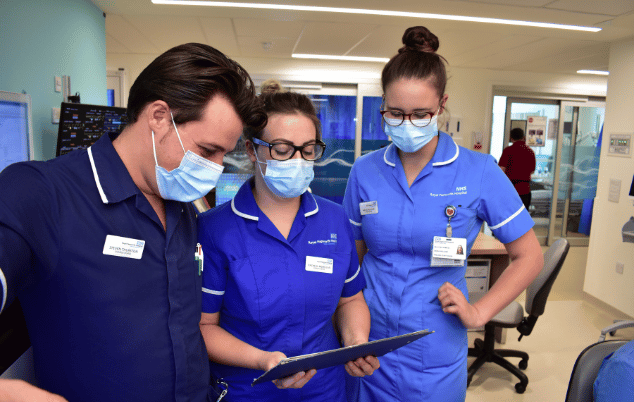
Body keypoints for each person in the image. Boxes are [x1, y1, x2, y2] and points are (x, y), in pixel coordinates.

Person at [0, 43, 266, 402]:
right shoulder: (41, 193)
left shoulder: (182, 205)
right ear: (158, 116)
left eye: (223, 154)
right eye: (206, 151)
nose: (216, 169)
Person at [342, 26, 544, 401]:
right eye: (395, 113)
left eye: (421, 114)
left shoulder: (478, 171)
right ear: (382, 106)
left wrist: (480, 313)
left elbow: (529, 256)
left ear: (442, 105)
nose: (407, 123)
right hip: (368, 340)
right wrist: (346, 330)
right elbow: (352, 258)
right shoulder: (365, 171)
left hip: (434, 347)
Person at [198, 87, 380, 401]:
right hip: (250, 389)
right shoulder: (215, 229)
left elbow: (350, 300)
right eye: (282, 149)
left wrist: (356, 343)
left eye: (308, 149)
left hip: (324, 388)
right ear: (252, 150)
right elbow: (203, 327)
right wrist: (263, 361)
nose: (297, 160)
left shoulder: (334, 220)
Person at [498, 127, 536, 210]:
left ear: (511, 138)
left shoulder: (508, 150)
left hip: (510, 189)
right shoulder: (530, 152)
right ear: (523, 138)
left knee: (509, 217)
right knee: (522, 217)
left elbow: (501, 169)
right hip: (524, 189)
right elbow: (532, 170)